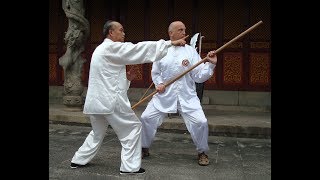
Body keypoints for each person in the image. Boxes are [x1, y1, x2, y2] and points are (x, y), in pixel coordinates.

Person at [70, 20, 188, 175]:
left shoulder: (101, 49)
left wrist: (127, 79)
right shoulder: (110, 47)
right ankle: (129, 167)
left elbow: (107, 78)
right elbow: (136, 50)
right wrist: (168, 44)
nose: (124, 33)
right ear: (111, 33)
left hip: (96, 103)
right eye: (121, 30)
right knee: (133, 129)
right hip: (109, 101)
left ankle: (78, 159)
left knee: (97, 133)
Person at [140, 21, 217, 166]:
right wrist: (159, 84)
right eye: (180, 30)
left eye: (184, 30)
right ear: (171, 33)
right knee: (146, 118)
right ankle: (143, 148)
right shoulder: (162, 50)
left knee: (201, 122)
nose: (183, 32)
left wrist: (210, 64)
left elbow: (199, 75)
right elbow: (155, 72)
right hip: (164, 95)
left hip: (187, 96)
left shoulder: (190, 51)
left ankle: (202, 152)